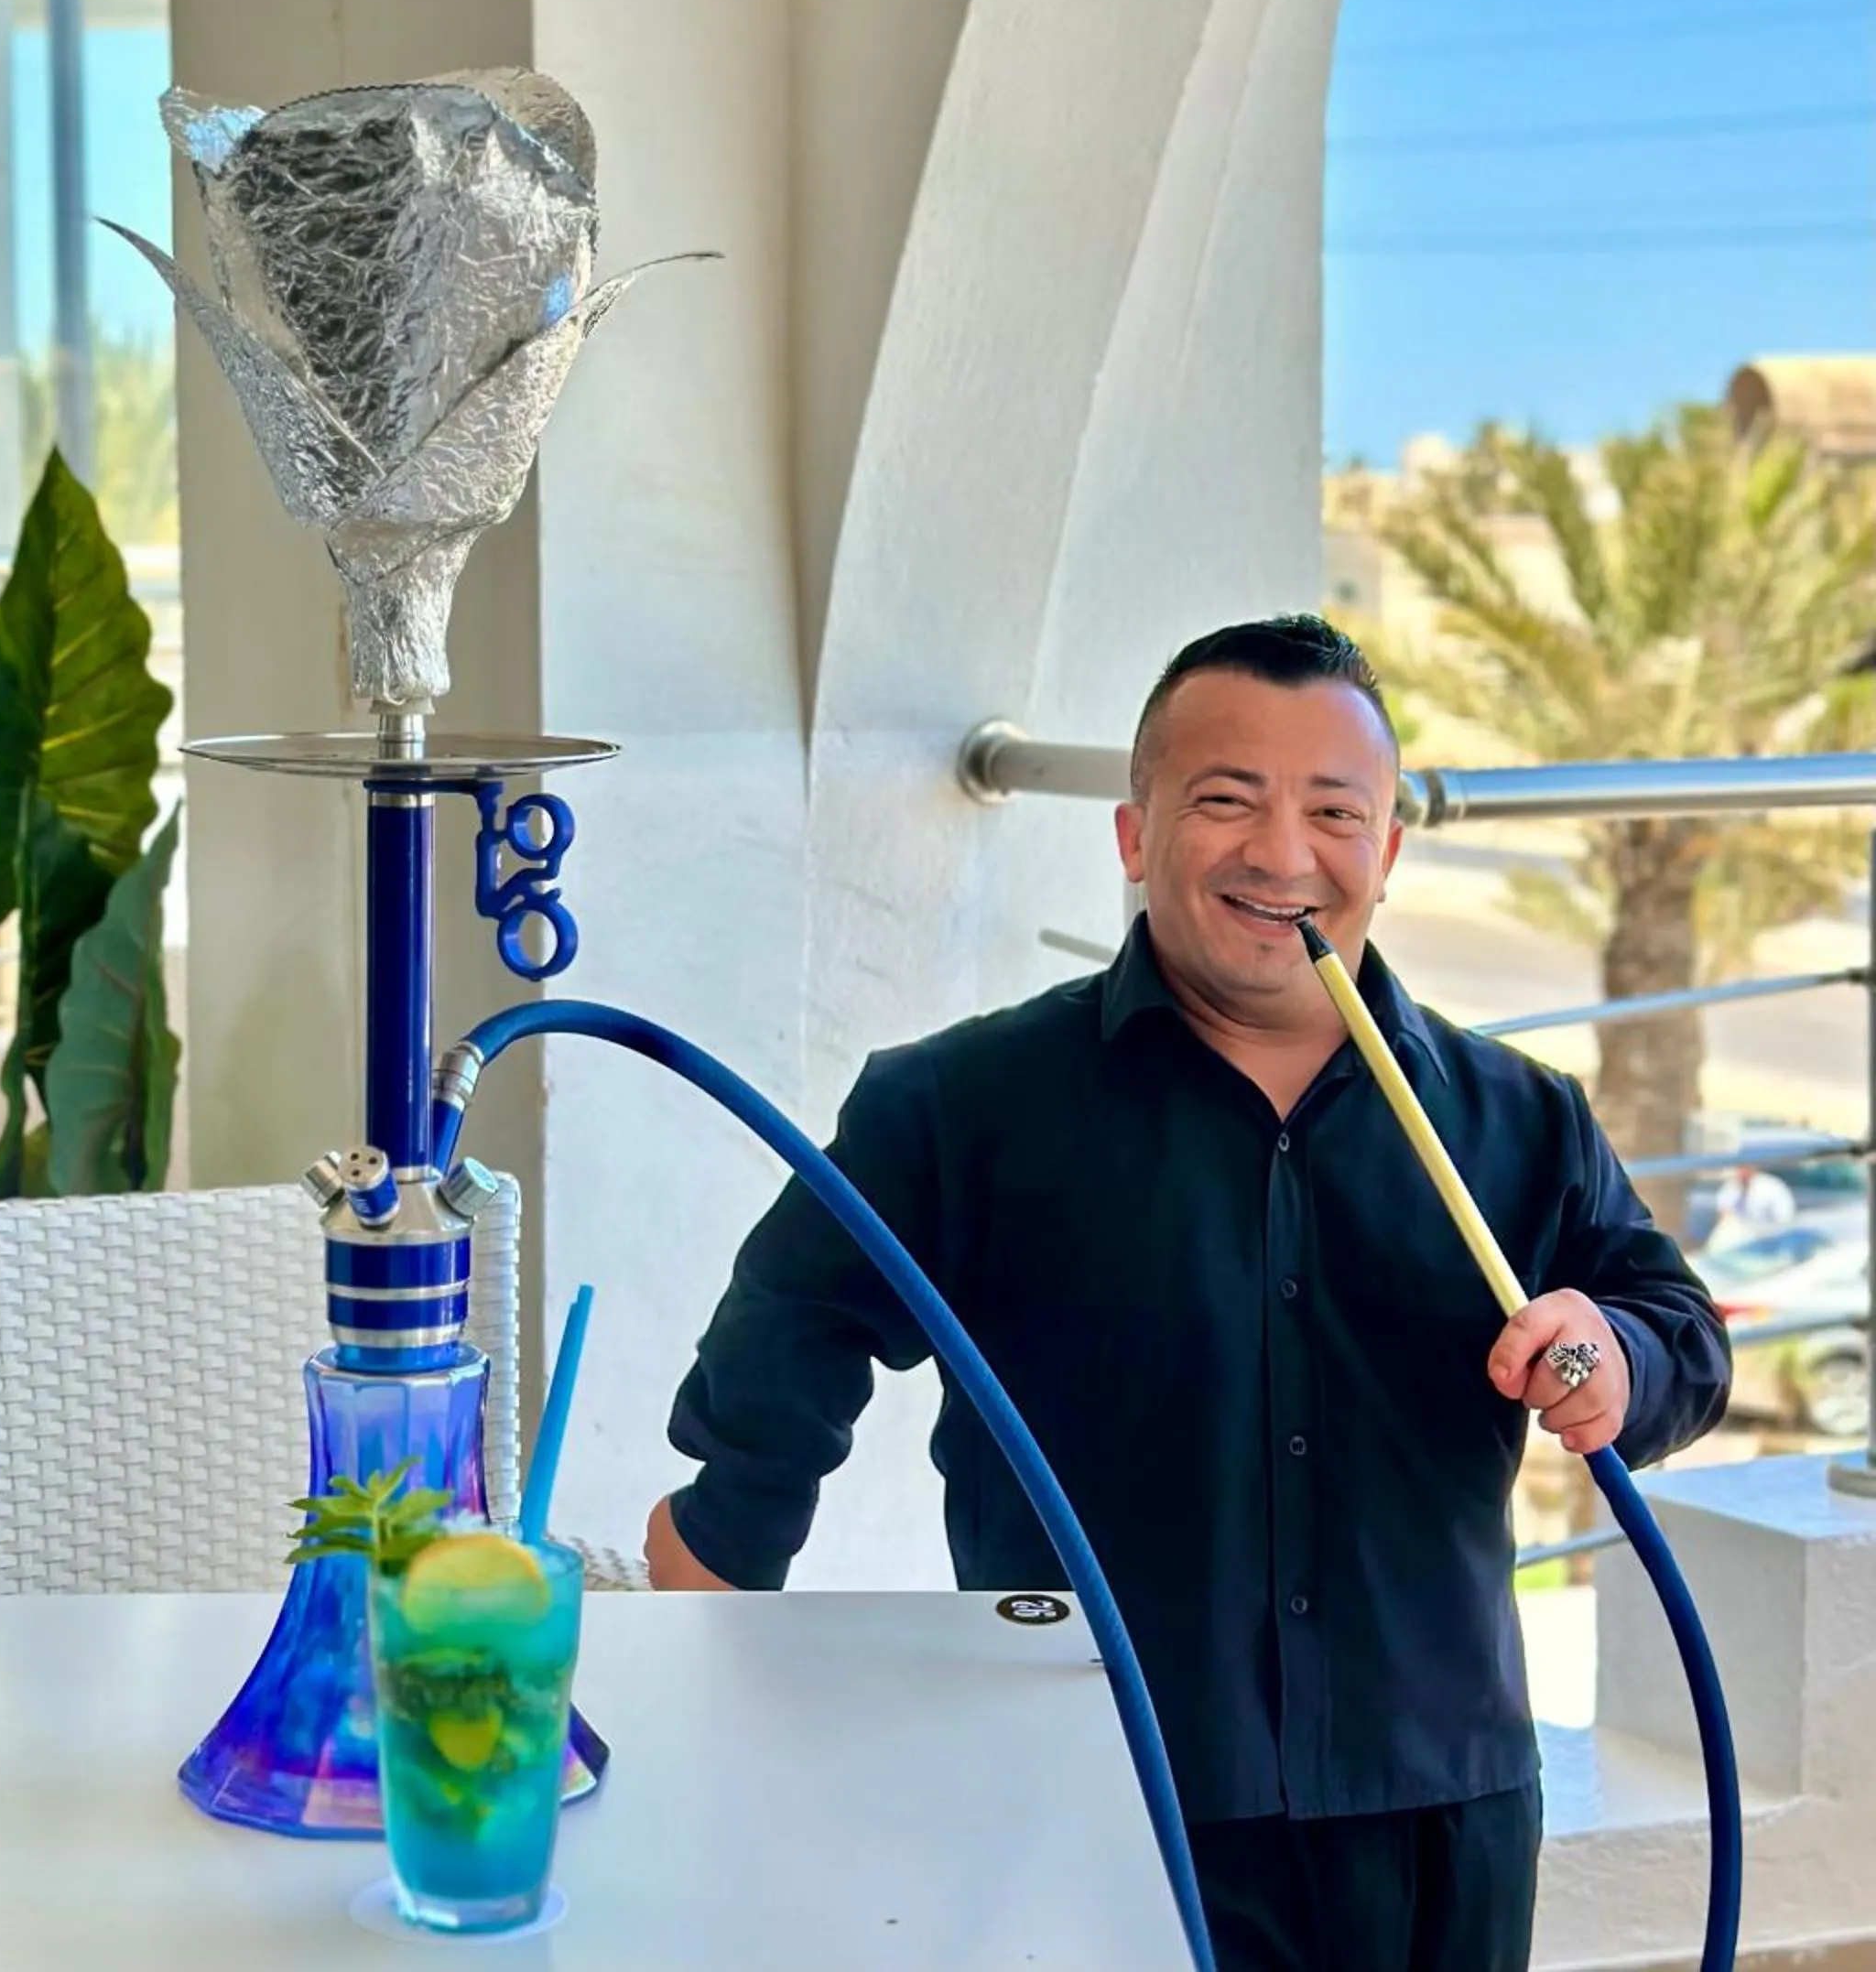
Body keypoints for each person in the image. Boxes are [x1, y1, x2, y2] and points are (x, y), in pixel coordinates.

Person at [643, 614, 1730, 1972]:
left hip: (1437, 1805)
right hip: (1078, 1784)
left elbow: (1677, 1332)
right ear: (1133, 835)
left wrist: (1616, 1354)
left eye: (1336, 812)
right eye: (1227, 802)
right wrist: (721, 1560)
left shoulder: (1519, 1118)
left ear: (1386, 851)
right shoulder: (955, 1107)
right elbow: (788, 1333)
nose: (1284, 855)